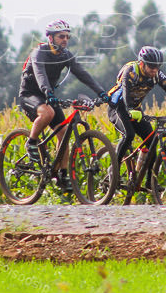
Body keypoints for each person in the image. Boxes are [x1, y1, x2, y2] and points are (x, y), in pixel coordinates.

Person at [18, 19, 109, 192]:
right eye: (61, 36)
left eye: (67, 37)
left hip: (48, 96)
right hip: (30, 94)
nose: (65, 40)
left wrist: (101, 92)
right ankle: (31, 142)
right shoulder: (40, 53)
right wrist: (48, 92)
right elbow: (40, 74)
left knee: (63, 133)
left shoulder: (66, 55)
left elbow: (83, 74)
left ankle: (62, 173)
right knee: (48, 113)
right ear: (51, 38)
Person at [107, 46, 166, 174]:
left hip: (135, 110)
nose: (155, 70)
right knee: (129, 135)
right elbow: (126, 91)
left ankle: (149, 182)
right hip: (118, 107)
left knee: (152, 142)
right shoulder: (130, 71)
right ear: (142, 64)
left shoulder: (157, 74)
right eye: (152, 67)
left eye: (157, 67)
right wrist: (130, 108)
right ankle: (114, 169)